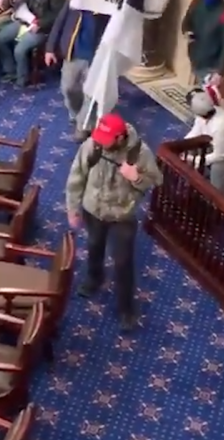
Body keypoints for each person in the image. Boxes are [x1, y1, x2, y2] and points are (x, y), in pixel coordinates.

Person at [66, 113, 162, 330]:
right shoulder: (93, 145)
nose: (101, 143)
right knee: (94, 245)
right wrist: (73, 207)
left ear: (120, 137)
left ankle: (127, 309)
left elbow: (156, 181)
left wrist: (135, 177)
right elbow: (77, 176)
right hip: (94, 209)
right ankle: (94, 278)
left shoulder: (140, 153)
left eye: (106, 140)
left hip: (121, 215)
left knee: (122, 262)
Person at [45, 2, 110, 142]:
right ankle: (77, 115)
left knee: (91, 94)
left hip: (97, 57)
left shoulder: (109, 2)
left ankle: (83, 125)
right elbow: (59, 22)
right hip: (73, 54)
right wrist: (50, 48)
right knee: (68, 88)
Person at [0, 0, 67, 86]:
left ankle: (22, 79)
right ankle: (10, 70)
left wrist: (40, 24)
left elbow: (57, 17)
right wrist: (18, 6)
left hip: (42, 29)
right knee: (0, 39)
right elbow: (25, 0)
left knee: (19, 50)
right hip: (26, 21)